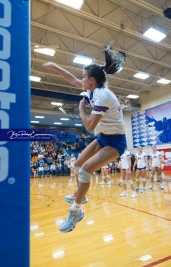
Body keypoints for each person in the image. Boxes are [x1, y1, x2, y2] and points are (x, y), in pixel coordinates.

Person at [43, 45, 126, 233]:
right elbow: (71, 78)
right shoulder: (94, 89)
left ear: (91, 80)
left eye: (83, 77)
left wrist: (81, 109)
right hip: (104, 137)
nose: (80, 79)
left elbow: (88, 127)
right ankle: (81, 195)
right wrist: (54, 65)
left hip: (116, 142)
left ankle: (75, 212)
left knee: (86, 170)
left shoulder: (102, 96)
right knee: (78, 164)